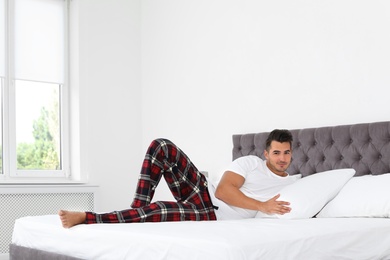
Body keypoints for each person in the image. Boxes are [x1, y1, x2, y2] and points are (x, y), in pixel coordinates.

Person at [59, 129, 296, 228]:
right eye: (276, 152)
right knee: (162, 146)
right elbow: (224, 191)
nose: (281, 158)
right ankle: (136, 211)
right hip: (204, 192)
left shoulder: (295, 183)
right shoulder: (251, 163)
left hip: (211, 216)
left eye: (286, 152)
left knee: (159, 209)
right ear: (266, 153)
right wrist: (262, 205)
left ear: (292, 153)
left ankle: (89, 218)